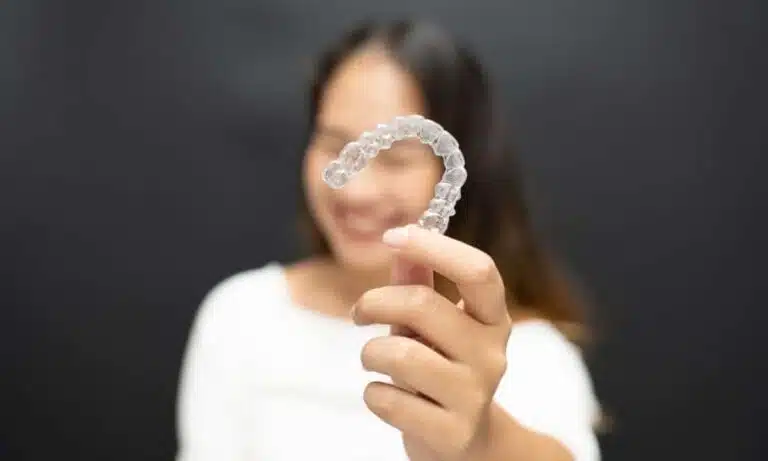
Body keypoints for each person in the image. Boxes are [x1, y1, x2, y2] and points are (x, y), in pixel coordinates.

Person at [176, 19, 601, 461]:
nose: (355, 191)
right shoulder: (241, 314)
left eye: (397, 160)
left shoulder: (531, 354)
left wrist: (482, 440)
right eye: (335, 146)